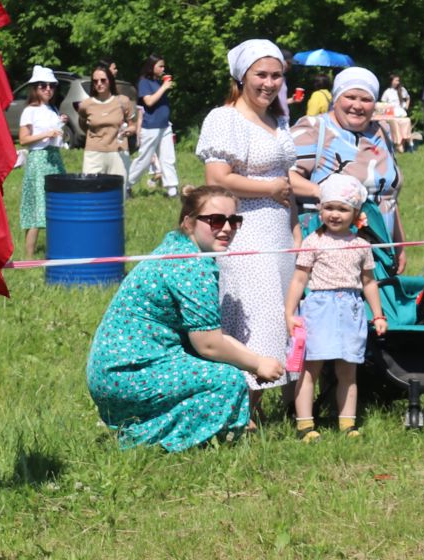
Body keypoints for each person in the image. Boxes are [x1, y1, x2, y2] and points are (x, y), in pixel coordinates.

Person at [86, 188, 283, 451]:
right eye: (215, 220)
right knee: (228, 381)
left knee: (221, 373)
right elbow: (209, 344)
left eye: (234, 221)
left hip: (115, 368)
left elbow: (210, 337)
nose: (226, 228)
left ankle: (146, 428)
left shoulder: (178, 247)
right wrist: (258, 363)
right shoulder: (191, 266)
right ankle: (141, 440)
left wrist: (255, 361)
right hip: (127, 373)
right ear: (188, 222)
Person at [197, 39, 305, 420]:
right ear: (242, 76)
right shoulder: (225, 119)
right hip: (244, 230)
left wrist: (295, 227)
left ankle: (267, 410)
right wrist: (270, 189)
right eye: (261, 74)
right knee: (253, 322)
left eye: (276, 75)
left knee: (278, 318)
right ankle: (238, 413)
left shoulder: (277, 119)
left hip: (279, 232)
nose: (269, 83)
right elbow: (217, 178)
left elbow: (286, 181)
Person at [285, 174, 386, 441]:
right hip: (319, 308)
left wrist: (377, 314)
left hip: (351, 310)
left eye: (342, 209)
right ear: (320, 210)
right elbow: (299, 279)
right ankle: (305, 425)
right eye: (329, 207)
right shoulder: (312, 242)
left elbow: (368, 282)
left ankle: (347, 424)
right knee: (310, 369)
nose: (335, 214)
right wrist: (290, 312)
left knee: (348, 370)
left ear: (355, 214)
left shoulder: (362, 245)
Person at [293, 66, 405, 248]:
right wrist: (326, 193)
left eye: (366, 99)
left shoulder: (382, 132)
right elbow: (283, 178)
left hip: (382, 249)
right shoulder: (314, 129)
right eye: (350, 97)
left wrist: (399, 245)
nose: (358, 105)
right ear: (336, 99)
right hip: (329, 253)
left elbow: (388, 193)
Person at [17, 66, 67, 260]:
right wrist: (47, 133)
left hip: (55, 158)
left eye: (51, 86)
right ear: (35, 88)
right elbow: (23, 139)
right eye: (43, 86)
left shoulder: (52, 109)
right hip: (39, 159)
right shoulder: (30, 111)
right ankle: (28, 257)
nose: (48, 89)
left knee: (58, 204)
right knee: (39, 208)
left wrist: (60, 122)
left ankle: (56, 249)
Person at [127, 54, 180, 198]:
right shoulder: (144, 82)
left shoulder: (157, 82)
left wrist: (162, 86)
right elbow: (149, 102)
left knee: (168, 158)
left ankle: (172, 190)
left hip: (164, 126)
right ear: (152, 67)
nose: (163, 68)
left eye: (164, 66)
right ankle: (126, 185)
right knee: (144, 159)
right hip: (150, 127)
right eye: (160, 66)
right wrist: (164, 87)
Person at [75, 63, 136, 182]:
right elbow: (82, 123)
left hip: (118, 152)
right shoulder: (86, 104)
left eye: (103, 80)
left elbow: (133, 126)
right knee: (91, 190)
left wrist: (129, 131)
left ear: (110, 81)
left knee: (117, 193)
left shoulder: (123, 101)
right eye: (95, 81)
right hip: (93, 153)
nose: (99, 84)